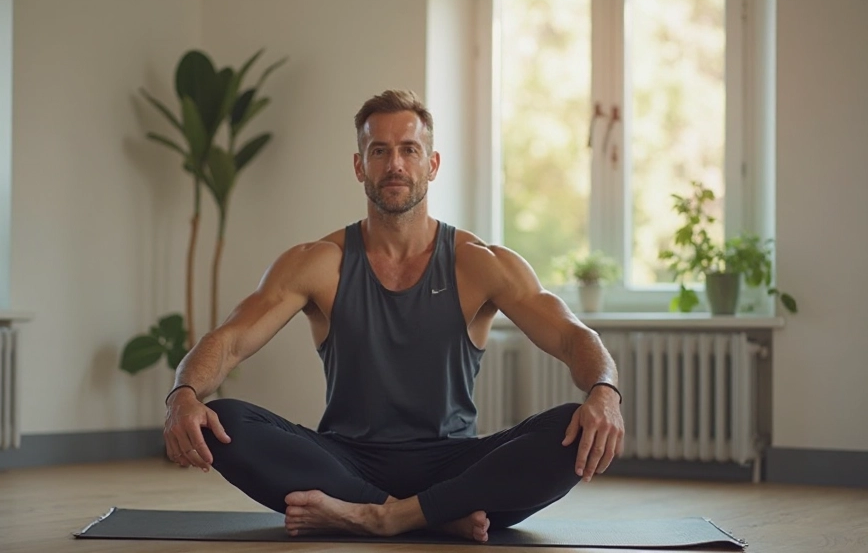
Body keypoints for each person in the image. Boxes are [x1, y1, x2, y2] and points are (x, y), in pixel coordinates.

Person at [162, 89, 625, 543]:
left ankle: (376, 516)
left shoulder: (479, 262)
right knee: (224, 420)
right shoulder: (319, 262)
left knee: (569, 429)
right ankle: (432, 516)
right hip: (345, 460)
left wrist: (604, 391)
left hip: (454, 462)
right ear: (360, 165)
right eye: (379, 151)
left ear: (433, 164)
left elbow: (570, 336)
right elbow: (231, 340)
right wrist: (182, 394)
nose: (395, 165)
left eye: (409, 150)